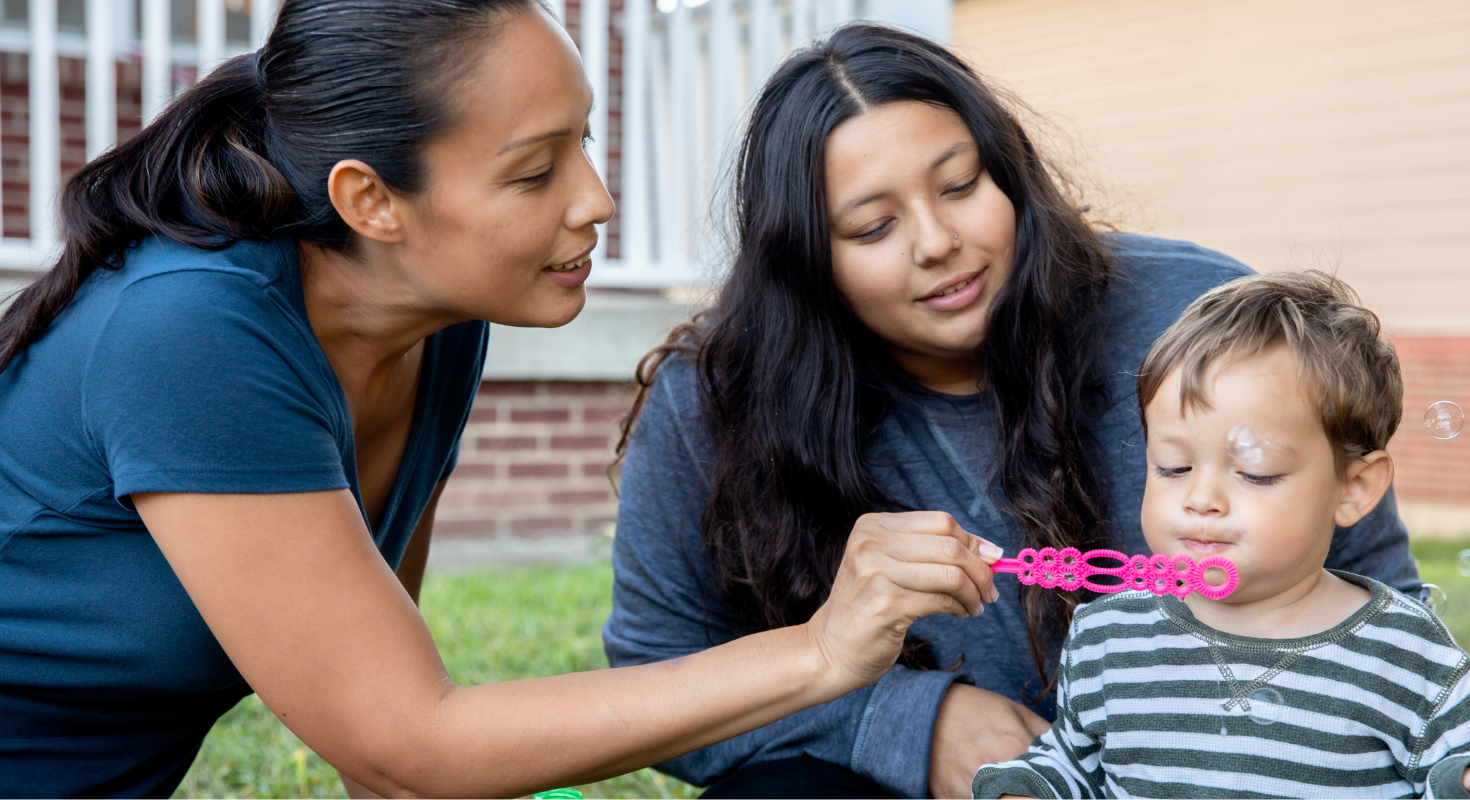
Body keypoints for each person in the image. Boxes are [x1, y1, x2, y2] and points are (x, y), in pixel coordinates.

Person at [0, 2, 1005, 796]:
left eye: (584, 142)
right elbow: (411, 742)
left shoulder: (435, 318)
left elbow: (386, 736)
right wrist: (820, 651)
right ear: (371, 201)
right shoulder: (190, 337)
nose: (595, 199)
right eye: (535, 171)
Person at [603, 23, 1470, 799]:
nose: (940, 242)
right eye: (874, 227)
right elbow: (654, 684)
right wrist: (899, 721)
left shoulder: (1197, 326)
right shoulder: (716, 401)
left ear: (1008, 175)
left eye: (961, 184)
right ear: (807, 258)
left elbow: (1384, 612)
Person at [969, 271, 1470, 799]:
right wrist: (1029, 788)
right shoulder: (1108, 638)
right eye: (1172, 467)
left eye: (1255, 473)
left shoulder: (1403, 649)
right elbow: (1073, 765)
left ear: (1354, 488)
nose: (1200, 499)